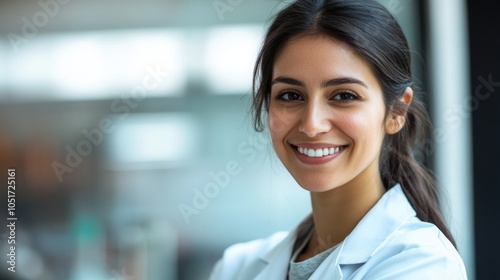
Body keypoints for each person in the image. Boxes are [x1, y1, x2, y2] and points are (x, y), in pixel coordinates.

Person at [209, 0, 468, 279]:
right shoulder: (236, 267)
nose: (311, 125)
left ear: (396, 111)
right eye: (290, 95)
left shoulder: (422, 264)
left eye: (344, 96)